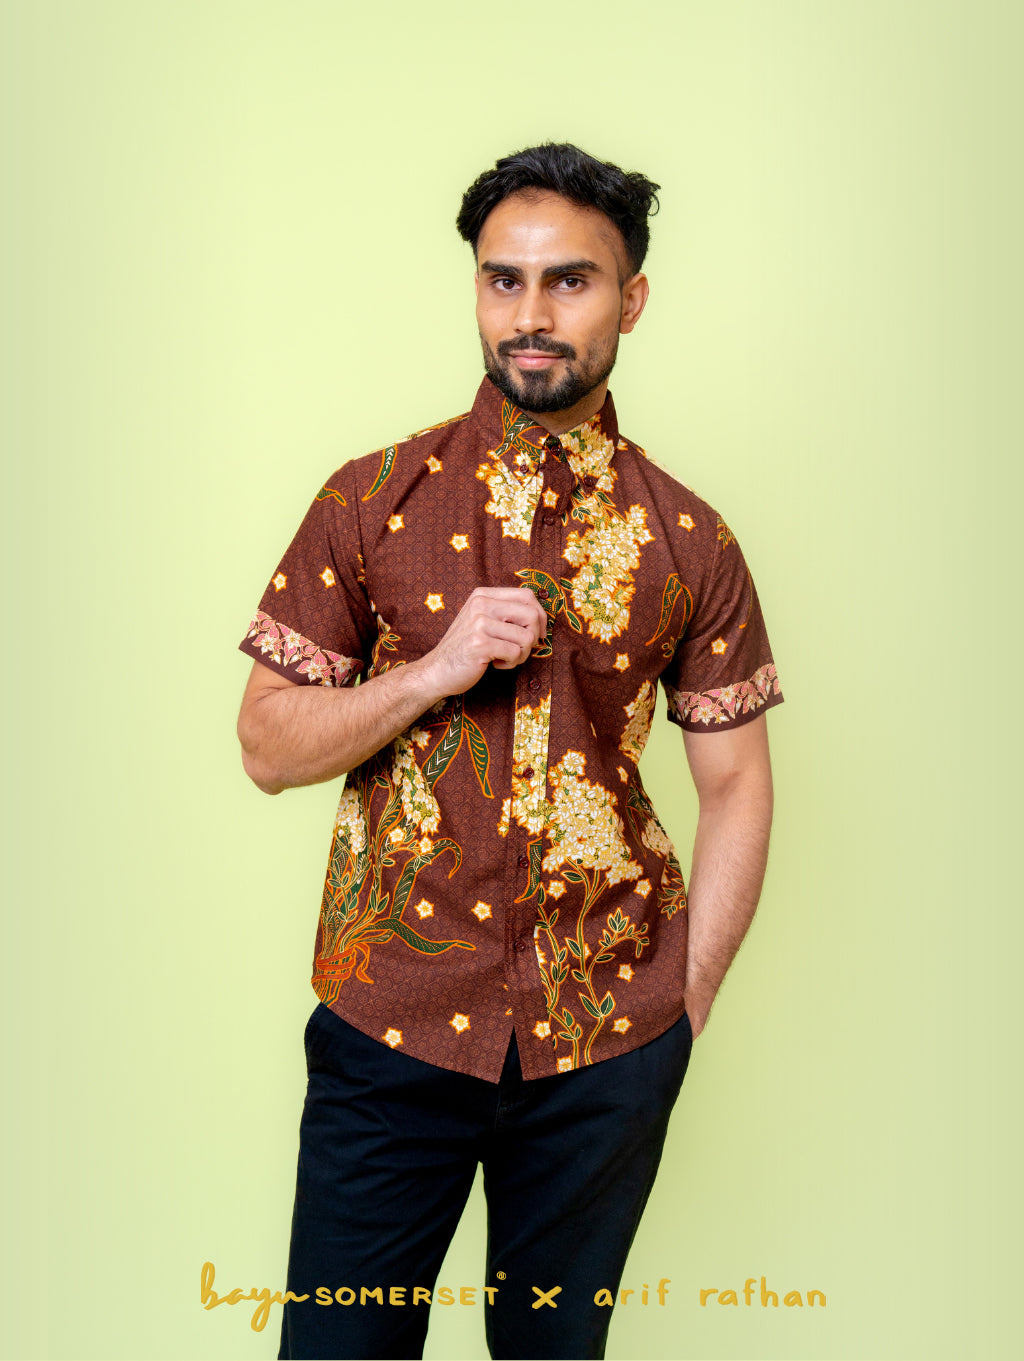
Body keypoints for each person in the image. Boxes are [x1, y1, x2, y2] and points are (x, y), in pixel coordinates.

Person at [236, 142, 783, 1361]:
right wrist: (427, 672)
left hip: (605, 1044)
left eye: (569, 280)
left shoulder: (691, 539)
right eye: (504, 279)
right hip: (389, 1026)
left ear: (631, 299)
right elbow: (266, 744)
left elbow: (738, 781)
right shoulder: (370, 498)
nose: (530, 313)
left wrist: (682, 1005)